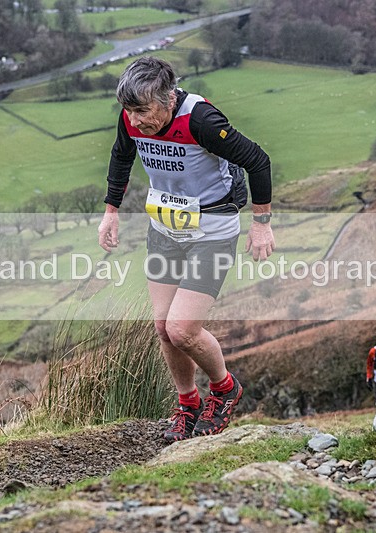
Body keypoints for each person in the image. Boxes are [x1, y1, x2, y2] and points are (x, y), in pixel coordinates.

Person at [98, 57, 274, 442]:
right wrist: (111, 212)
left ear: (168, 98)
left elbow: (259, 161)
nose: (136, 120)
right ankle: (188, 404)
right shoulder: (131, 119)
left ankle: (225, 389)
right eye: (129, 111)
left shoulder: (201, 121)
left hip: (212, 230)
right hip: (164, 229)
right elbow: (121, 156)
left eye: (143, 111)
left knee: (182, 329)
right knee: (163, 328)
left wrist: (261, 224)